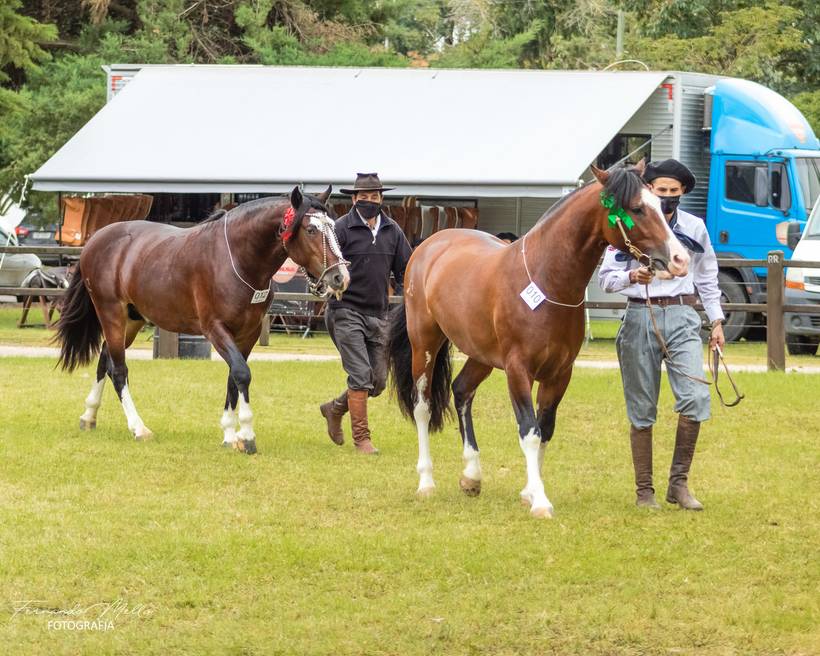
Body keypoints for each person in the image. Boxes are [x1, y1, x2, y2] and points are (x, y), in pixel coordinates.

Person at [598, 159, 725, 510]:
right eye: (661, 190)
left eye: (674, 191)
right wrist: (630, 278)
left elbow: (707, 276)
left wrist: (715, 322)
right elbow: (606, 278)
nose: (668, 196)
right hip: (640, 315)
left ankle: (678, 485)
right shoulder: (626, 224)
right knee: (641, 408)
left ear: (682, 192)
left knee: (696, 398)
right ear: (649, 191)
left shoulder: (695, 227)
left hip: (684, 316)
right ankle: (644, 492)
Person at [319, 173, 412, 454]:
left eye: (374, 197)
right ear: (354, 199)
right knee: (360, 375)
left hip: (379, 315)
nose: (369, 202)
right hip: (345, 310)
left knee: (379, 381)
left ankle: (334, 408)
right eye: (364, 197)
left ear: (382, 199)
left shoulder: (393, 231)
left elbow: (405, 269)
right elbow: (322, 264)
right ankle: (362, 440)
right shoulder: (340, 229)